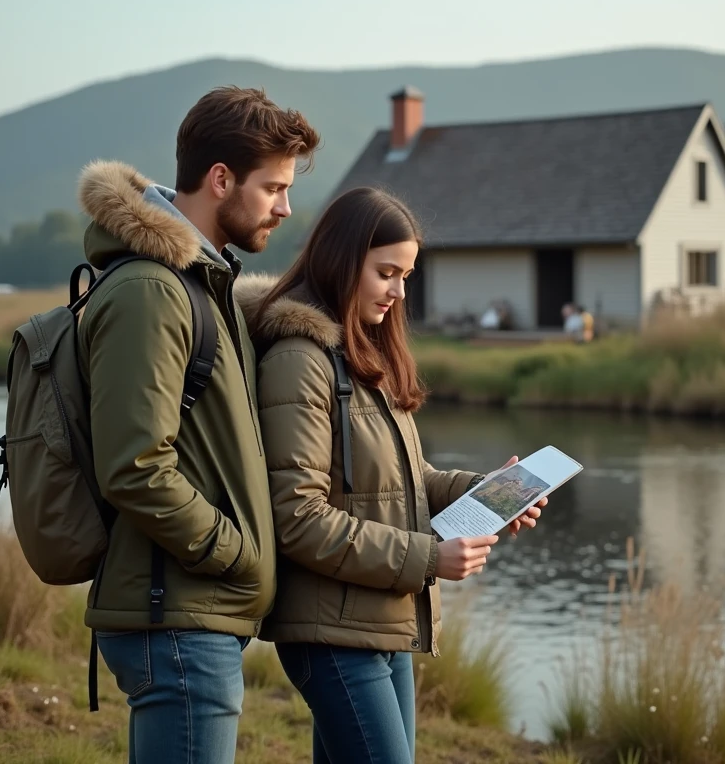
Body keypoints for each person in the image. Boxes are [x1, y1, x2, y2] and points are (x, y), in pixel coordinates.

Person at [234, 186, 546, 764]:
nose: (399, 292)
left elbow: (407, 478)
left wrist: (487, 490)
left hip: (381, 617)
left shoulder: (364, 355)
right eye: (386, 273)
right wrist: (430, 558)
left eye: (406, 275)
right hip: (330, 631)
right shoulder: (298, 362)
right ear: (341, 259)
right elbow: (297, 517)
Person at [75, 86, 320, 764]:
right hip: (177, 614)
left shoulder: (197, 287)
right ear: (220, 180)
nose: (285, 206)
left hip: (191, 611)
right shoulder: (152, 293)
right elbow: (134, 466)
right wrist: (236, 553)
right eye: (273, 187)